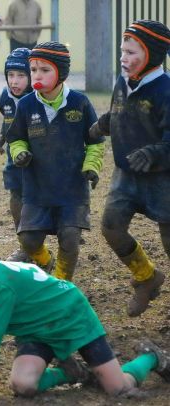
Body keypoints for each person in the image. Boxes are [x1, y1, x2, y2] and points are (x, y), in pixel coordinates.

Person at [0, 238, 170, 403]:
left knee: (119, 390)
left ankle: (152, 357)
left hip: (70, 314)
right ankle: (75, 373)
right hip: (36, 328)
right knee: (23, 385)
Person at [5, 42, 105, 281]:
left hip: (72, 188)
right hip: (37, 188)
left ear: (61, 72)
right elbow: (16, 138)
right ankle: (45, 261)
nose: (37, 75)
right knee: (28, 241)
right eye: (34, 70)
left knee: (70, 239)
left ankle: (62, 285)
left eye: (44, 70)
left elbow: (95, 142)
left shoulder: (79, 103)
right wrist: (20, 153)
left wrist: (92, 166)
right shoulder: (27, 105)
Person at [91, 20, 170, 317]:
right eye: (122, 51)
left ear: (151, 54)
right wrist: (101, 126)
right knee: (111, 227)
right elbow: (119, 114)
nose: (122, 57)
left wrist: (154, 153)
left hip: (163, 179)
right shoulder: (122, 82)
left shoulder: (166, 91)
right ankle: (147, 278)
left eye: (130, 52)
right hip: (126, 176)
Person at [0, 48, 33, 262]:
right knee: (16, 196)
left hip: (39, 162)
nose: (14, 81)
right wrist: (2, 136)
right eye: (10, 75)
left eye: (21, 75)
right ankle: (26, 247)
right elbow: (8, 120)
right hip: (14, 160)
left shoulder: (39, 99)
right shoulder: (6, 98)